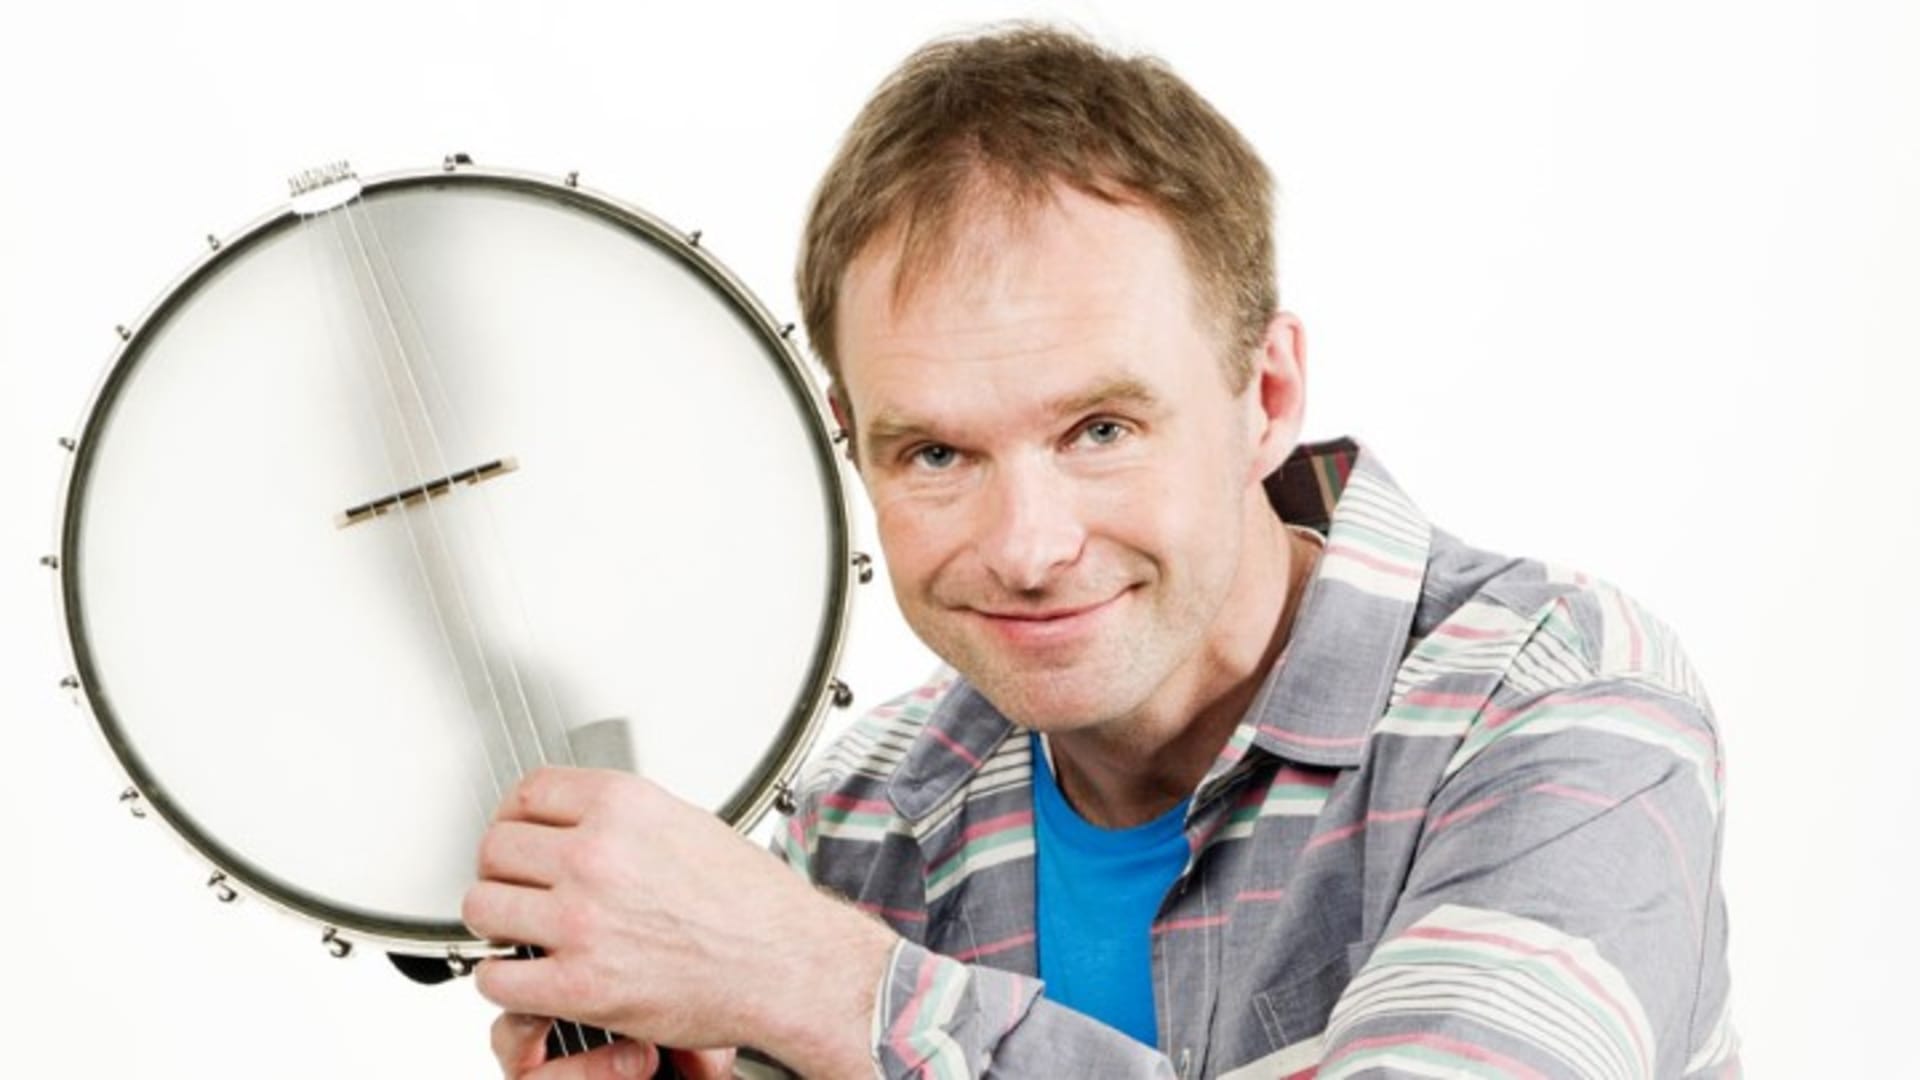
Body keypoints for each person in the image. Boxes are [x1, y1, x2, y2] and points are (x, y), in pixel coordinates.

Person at [463, 24, 1737, 1079]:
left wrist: (823, 984)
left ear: (1266, 395)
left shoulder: (1558, 704)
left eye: (1102, 430)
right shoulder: (863, 821)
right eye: (936, 454)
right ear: (851, 443)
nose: (1028, 549)